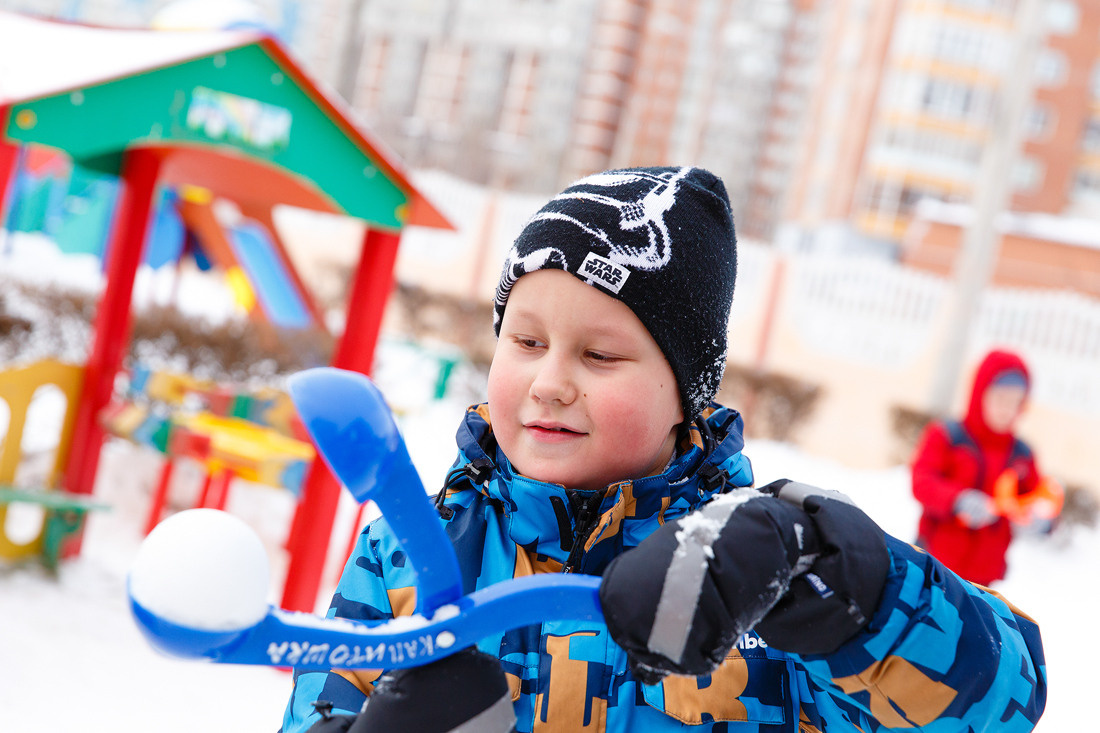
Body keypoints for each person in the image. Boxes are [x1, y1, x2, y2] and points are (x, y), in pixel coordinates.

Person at [281, 167, 1046, 732]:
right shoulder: (411, 553)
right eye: (526, 340)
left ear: (686, 396)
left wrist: (832, 573)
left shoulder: (756, 575)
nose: (549, 381)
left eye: (599, 356)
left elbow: (1004, 703)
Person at [911, 349, 1055, 587]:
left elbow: (1037, 499)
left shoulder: (1022, 456)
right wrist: (957, 500)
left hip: (984, 581)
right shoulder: (947, 437)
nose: (1007, 409)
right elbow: (922, 481)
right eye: (999, 398)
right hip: (933, 567)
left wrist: (1043, 521)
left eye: (1015, 402)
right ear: (980, 393)